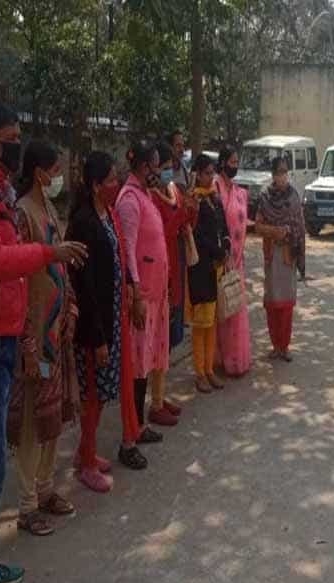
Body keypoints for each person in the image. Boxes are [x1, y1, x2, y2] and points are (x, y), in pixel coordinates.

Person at [0, 102, 86, 583]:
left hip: (19, 331)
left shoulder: (0, 191)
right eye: (10, 139)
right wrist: (47, 254)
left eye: (19, 138)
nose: (15, 146)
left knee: (27, 431)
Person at [7, 140, 79, 536]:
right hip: (35, 336)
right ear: (38, 173)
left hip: (55, 334)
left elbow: (59, 265)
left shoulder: (49, 208)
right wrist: (27, 344)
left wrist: (70, 306)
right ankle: (26, 505)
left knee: (51, 418)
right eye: (54, 170)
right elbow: (18, 280)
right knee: (31, 425)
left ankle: (46, 487)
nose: (58, 177)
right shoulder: (22, 214)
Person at [67, 151, 148, 494]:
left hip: (112, 318)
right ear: (95, 184)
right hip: (94, 325)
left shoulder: (107, 214)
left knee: (100, 395)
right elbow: (85, 286)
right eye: (112, 179)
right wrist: (98, 337)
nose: (117, 184)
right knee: (93, 396)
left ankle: (85, 452)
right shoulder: (84, 222)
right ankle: (86, 464)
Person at [115, 141, 175, 434]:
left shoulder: (145, 195)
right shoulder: (129, 199)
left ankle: (139, 422)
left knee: (147, 359)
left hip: (155, 292)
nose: (159, 171)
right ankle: (134, 427)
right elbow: (127, 250)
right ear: (142, 166)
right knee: (137, 364)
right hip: (141, 296)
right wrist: (136, 293)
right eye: (156, 165)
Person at [150, 141, 197, 414]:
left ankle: (161, 394)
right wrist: (181, 214)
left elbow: (186, 222)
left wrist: (191, 209)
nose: (168, 171)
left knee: (171, 338)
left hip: (177, 265)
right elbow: (164, 230)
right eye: (164, 167)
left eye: (170, 166)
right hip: (162, 269)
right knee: (159, 338)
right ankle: (155, 401)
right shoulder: (151, 197)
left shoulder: (173, 189)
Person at [255, 157, 306, 362]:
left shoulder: (294, 196)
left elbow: (300, 227)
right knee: (272, 304)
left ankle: (284, 346)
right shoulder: (265, 197)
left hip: (288, 256)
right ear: (273, 175)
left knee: (286, 305)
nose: (283, 176)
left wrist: (289, 233)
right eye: (279, 172)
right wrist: (274, 231)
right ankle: (275, 346)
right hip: (271, 255)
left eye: (285, 171)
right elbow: (258, 226)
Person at [187, 153, 230, 393]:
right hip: (201, 267)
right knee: (201, 323)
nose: (210, 177)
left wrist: (226, 245)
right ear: (197, 174)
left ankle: (209, 369)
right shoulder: (194, 200)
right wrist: (217, 251)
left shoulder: (214, 196)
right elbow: (197, 235)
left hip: (217, 266)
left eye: (212, 172)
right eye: (206, 173)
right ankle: (199, 373)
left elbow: (223, 225)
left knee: (212, 321)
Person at [214, 146, 252, 377]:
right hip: (221, 259)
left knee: (236, 308)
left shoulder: (239, 192)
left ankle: (237, 360)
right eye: (232, 162)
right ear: (222, 163)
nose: (235, 166)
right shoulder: (215, 188)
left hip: (238, 260)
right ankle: (220, 360)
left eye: (237, 162)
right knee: (222, 310)